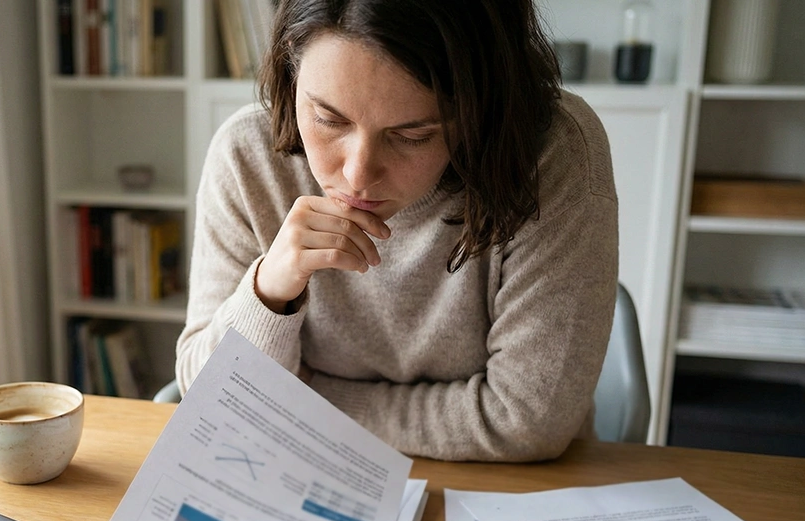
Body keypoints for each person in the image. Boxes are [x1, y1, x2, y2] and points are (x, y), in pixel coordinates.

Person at [175, 0, 618, 462]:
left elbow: (527, 423)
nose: (358, 175)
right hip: (298, 469)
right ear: (290, 73)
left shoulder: (554, 155)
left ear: (479, 110)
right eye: (328, 119)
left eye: (412, 136)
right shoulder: (247, 155)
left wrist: (299, 399)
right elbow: (206, 389)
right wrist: (270, 288)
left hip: (505, 485)